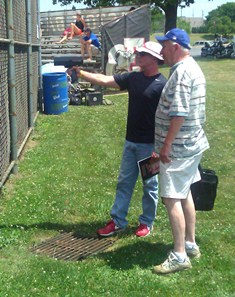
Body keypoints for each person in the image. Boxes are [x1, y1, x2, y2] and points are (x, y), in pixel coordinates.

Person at [71, 41, 167, 237]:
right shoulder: (133, 78)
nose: (138, 56)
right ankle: (117, 221)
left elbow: (168, 117)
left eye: (143, 54)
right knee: (124, 182)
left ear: (155, 60)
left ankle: (146, 222)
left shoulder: (163, 85)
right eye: (138, 53)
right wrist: (81, 74)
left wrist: (161, 146)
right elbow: (105, 80)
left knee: (149, 185)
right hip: (131, 142)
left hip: (151, 146)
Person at [152, 28, 210, 274]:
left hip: (178, 148)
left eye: (164, 46)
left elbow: (179, 113)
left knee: (171, 197)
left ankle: (179, 255)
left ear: (175, 46)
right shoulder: (190, 68)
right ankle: (190, 243)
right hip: (191, 144)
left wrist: (165, 146)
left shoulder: (182, 73)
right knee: (184, 192)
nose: (161, 51)